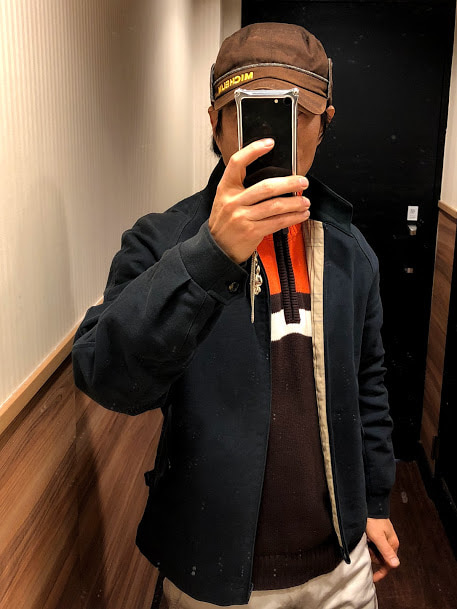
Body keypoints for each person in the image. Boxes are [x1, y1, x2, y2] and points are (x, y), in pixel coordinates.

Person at [72, 22, 400, 609]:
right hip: (212, 575)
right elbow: (107, 377)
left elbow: (368, 383)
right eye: (250, 112)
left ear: (325, 123)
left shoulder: (350, 253)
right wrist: (210, 257)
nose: (272, 136)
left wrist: (374, 502)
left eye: (295, 113)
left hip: (341, 567)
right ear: (215, 123)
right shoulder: (162, 241)